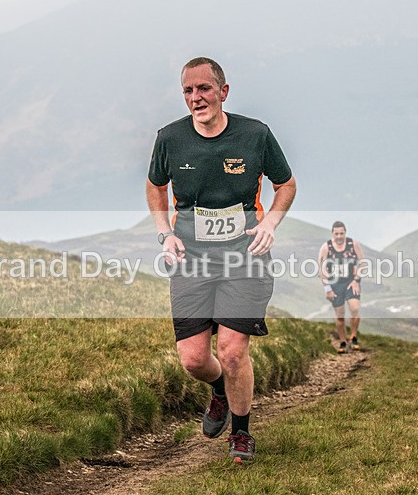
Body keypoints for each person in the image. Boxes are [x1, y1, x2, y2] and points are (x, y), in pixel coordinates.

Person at [145, 57, 296, 463]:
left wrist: (270, 226)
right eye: (189, 92)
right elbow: (155, 187)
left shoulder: (255, 135)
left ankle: (242, 434)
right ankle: (219, 391)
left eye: (204, 89)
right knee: (195, 360)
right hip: (191, 258)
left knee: (231, 351)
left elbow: (286, 185)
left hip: (244, 257)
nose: (197, 98)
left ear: (223, 92)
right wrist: (165, 234)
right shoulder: (170, 139)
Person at [318, 221, 364, 353]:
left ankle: (353, 337)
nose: (339, 236)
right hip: (334, 284)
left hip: (351, 282)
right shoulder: (326, 247)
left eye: (341, 233)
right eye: (336, 234)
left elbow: (362, 263)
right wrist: (327, 288)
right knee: (340, 316)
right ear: (332, 233)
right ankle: (343, 341)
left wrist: (356, 280)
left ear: (345, 233)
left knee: (355, 308)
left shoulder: (352, 244)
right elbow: (322, 269)